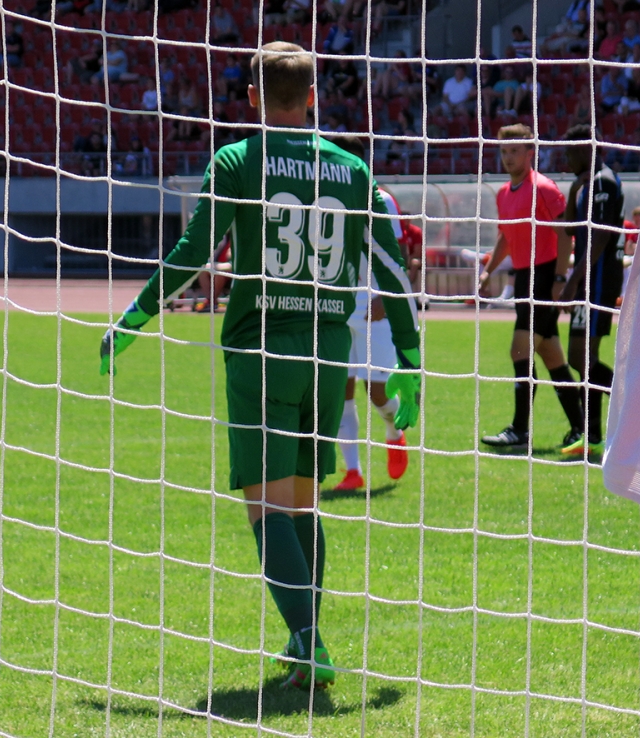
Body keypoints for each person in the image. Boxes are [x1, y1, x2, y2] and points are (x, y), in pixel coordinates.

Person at [98, 42, 421, 693]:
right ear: (313, 98)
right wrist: (410, 357)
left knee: (266, 507)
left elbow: (195, 249)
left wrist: (137, 313)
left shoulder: (237, 160)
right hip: (327, 354)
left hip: (262, 353)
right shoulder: (353, 169)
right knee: (301, 503)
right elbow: (390, 263)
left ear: (250, 97)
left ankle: (310, 642)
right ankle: (304, 645)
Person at [479, 125, 584, 451]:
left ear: (530, 153)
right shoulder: (503, 193)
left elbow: (566, 233)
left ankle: (520, 430)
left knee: (519, 350)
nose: (508, 157)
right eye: (504, 151)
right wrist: (488, 271)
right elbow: (506, 236)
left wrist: (559, 279)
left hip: (545, 277)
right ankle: (583, 429)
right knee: (551, 356)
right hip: (525, 278)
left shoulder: (544, 188)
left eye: (515, 151)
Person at [326, 136, 411, 491]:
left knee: (377, 392)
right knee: (338, 390)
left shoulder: (381, 199)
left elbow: (399, 255)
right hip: (335, 307)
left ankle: (394, 432)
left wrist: (387, 298)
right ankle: (352, 471)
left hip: (375, 307)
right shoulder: (323, 197)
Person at [558, 124, 624, 457]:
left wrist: (572, 280)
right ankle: (594, 436)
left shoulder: (604, 183)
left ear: (585, 150)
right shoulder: (587, 184)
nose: (566, 160)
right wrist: (573, 190)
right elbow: (569, 228)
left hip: (598, 280)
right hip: (588, 279)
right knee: (580, 358)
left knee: (583, 357)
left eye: (570, 154)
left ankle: (631, 407)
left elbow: (600, 236)